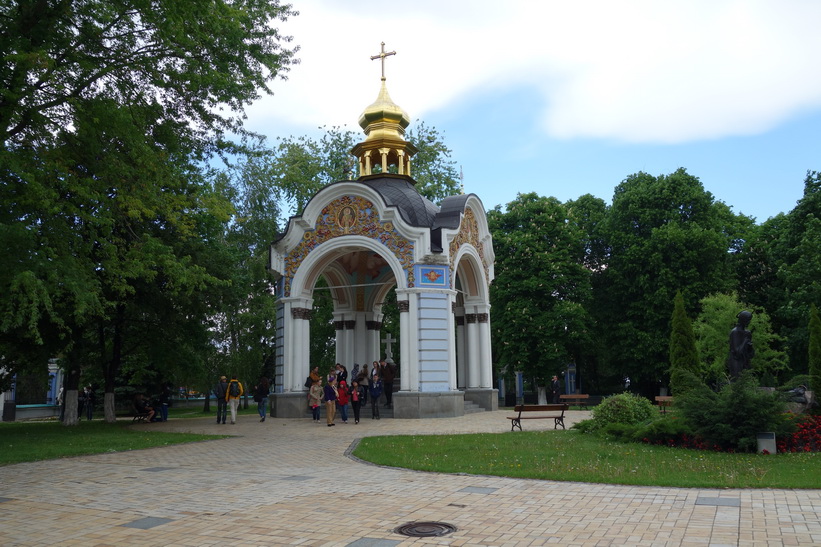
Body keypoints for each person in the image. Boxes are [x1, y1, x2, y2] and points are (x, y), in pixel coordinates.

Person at [728, 310, 755, 379]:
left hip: (745, 361)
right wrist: (745, 342)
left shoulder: (748, 333)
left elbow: (751, 354)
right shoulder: (735, 332)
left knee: (746, 381)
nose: (749, 322)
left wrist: (750, 347)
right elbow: (736, 352)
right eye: (748, 320)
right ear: (743, 320)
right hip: (736, 361)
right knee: (737, 380)